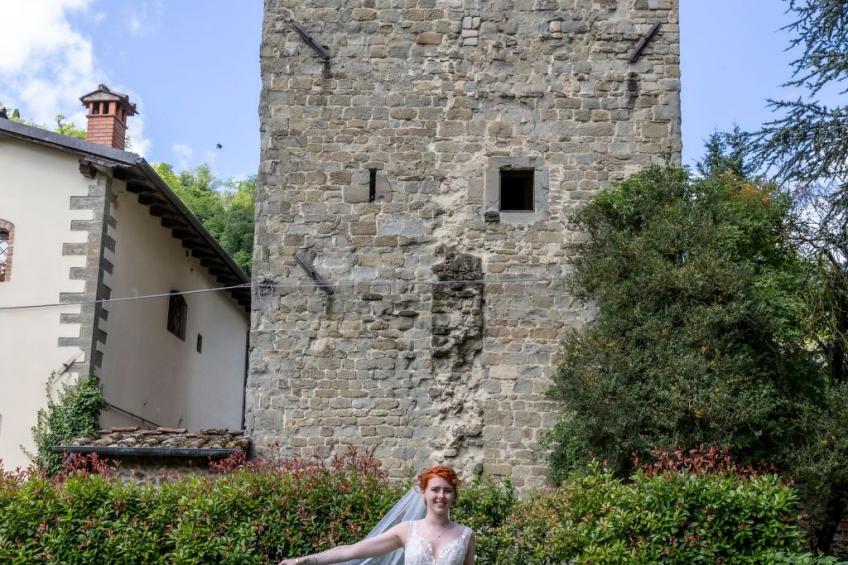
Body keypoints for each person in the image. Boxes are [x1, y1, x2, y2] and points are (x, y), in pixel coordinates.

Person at [279, 465, 476, 565]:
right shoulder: (407, 530)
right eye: (435, 490)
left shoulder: (466, 535)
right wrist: (300, 561)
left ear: (454, 496)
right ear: (424, 493)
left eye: (447, 490)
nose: (441, 496)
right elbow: (349, 551)